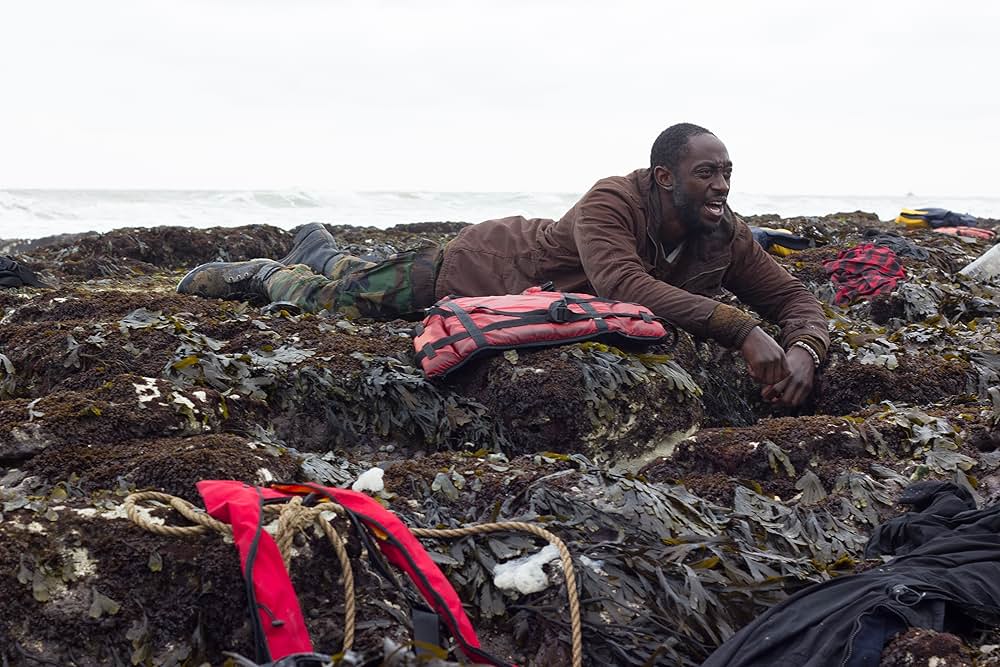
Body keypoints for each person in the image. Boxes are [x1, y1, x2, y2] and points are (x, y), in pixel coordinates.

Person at [178, 123, 830, 406]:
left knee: (349, 277)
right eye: (705, 173)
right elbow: (623, 288)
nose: (721, 185)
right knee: (339, 301)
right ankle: (269, 271)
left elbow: (797, 302)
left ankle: (325, 250)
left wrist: (804, 351)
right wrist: (741, 329)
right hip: (481, 267)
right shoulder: (614, 200)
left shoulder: (726, 235)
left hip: (517, 292)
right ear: (665, 176)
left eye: (728, 174)